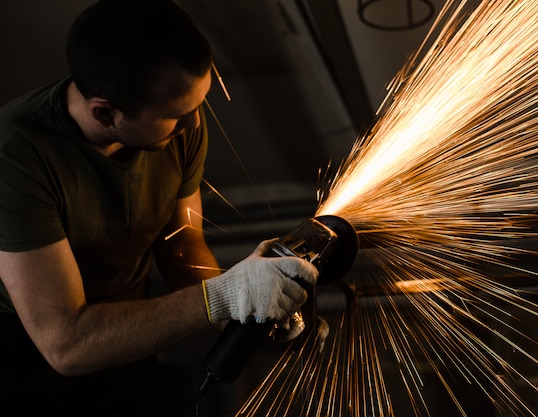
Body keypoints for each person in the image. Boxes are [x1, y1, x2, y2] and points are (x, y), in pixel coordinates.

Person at [0, 0, 318, 415]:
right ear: (104, 112)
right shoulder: (17, 158)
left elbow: (182, 242)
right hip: (29, 364)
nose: (194, 126)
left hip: (129, 340)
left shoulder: (177, 126)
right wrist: (224, 294)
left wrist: (245, 311)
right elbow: (67, 345)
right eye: (176, 116)